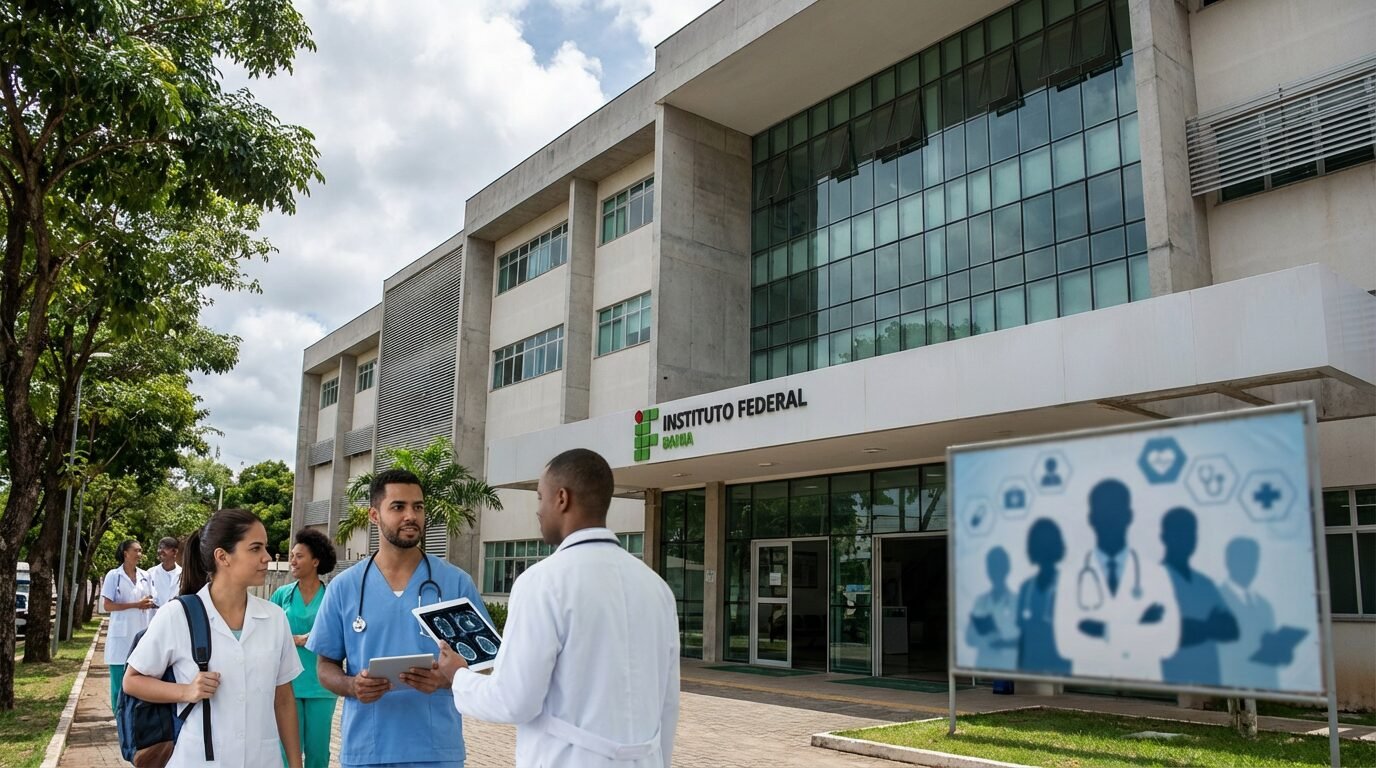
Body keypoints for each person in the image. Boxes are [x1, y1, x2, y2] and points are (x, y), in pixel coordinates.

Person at [436, 448, 679, 768]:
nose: (538, 510)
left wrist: (459, 676)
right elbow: (667, 704)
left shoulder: (542, 583)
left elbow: (514, 701)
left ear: (561, 498)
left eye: (540, 497)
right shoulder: (657, 588)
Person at [307, 469, 488, 768]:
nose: (411, 515)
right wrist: (352, 686)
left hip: (436, 751)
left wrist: (449, 678)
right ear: (374, 515)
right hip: (366, 750)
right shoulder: (345, 587)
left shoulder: (455, 584)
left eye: (418, 507)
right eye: (398, 507)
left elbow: (486, 662)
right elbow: (325, 666)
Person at [123, 509, 303, 768]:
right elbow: (132, 681)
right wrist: (186, 691)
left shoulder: (274, 618)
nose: (266, 557)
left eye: (265, 547)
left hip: (262, 760)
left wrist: (296, 764)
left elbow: (284, 698)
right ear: (222, 556)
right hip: (198, 759)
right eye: (255, 548)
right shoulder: (178, 615)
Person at [1053, 479, 1179, 681]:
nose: (1109, 520)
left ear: (1129, 516)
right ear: (1091, 518)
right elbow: (1066, 643)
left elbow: (1168, 641)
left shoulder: (1155, 574)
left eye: (1116, 512)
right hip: (1089, 688)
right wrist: (1138, 624)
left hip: (1144, 684)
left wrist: (1103, 629)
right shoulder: (1070, 576)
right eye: (1103, 513)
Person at [272, 528, 340, 768]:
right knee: (287, 752)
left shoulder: (332, 595)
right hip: (288, 684)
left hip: (322, 684)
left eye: (298, 556)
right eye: (292, 555)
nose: (292, 560)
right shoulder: (282, 595)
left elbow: (340, 635)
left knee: (319, 754)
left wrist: (315, 639)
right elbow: (268, 635)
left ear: (315, 561)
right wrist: (299, 639)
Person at [1159, 508, 1238, 686]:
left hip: (1209, 678)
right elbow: (1166, 631)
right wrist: (1210, 626)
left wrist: (1197, 627)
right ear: (1165, 536)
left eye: (1190, 533)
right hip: (1171, 679)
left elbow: (1232, 628)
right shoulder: (1155, 580)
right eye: (1179, 532)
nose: (1186, 539)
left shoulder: (1205, 584)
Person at [101, 539, 154, 718]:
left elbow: (150, 599)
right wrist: (135, 605)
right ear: (126, 553)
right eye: (136, 551)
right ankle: (119, 718)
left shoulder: (145, 575)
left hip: (141, 635)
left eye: (141, 551)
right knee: (118, 684)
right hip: (120, 638)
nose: (140, 554)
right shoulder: (113, 576)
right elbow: (107, 606)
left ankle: (135, 717)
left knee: (140, 679)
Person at [1219, 537, 1279, 690]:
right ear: (1229, 562)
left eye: (1253, 561)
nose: (1249, 567)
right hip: (1230, 680)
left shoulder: (1264, 606)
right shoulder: (1217, 600)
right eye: (1243, 560)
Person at [1015, 519, 1071, 676]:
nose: (1044, 551)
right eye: (1039, 545)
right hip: (1030, 664)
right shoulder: (1026, 588)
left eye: (1048, 545)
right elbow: (1022, 633)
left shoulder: (1066, 585)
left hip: (1061, 667)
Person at [966, 547, 1018, 670]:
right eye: (992, 567)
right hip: (984, 665)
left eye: (999, 566)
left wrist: (1003, 643)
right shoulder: (980, 601)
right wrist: (985, 636)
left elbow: (1026, 639)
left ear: (1007, 568)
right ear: (988, 570)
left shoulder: (1016, 601)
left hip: (1009, 666)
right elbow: (969, 638)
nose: (996, 571)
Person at [149, 536, 183, 608]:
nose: (160, 550)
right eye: (159, 548)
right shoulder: (150, 573)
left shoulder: (183, 574)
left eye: (164, 548)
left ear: (175, 552)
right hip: (155, 617)